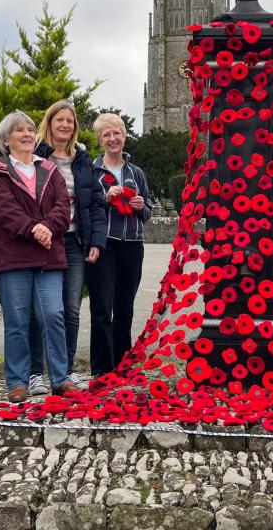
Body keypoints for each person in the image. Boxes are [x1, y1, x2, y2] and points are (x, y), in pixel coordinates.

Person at [0, 110, 77, 402]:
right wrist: (33, 228)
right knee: (18, 320)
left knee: (54, 314)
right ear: (5, 139)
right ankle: (18, 381)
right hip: (12, 257)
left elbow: (63, 205)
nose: (26, 134)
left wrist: (47, 227)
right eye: (19, 130)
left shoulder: (49, 169)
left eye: (29, 130)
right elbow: (3, 209)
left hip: (48, 255)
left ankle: (60, 378)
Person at [27, 101, 107, 394]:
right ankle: (36, 372)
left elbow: (96, 204)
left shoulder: (82, 159)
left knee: (70, 309)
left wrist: (96, 240)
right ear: (49, 123)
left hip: (75, 241)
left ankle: (66, 371)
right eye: (59, 120)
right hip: (45, 241)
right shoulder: (35, 156)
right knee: (42, 311)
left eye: (69, 122)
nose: (65, 125)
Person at [87, 113, 151, 377]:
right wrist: (104, 196)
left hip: (132, 245)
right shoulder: (91, 172)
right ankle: (102, 369)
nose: (112, 139)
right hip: (103, 245)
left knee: (125, 308)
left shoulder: (137, 173)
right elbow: (86, 208)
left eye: (117, 134)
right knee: (102, 307)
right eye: (106, 135)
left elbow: (147, 211)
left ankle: (123, 366)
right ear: (100, 140)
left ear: (124, 136)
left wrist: (139, 206)